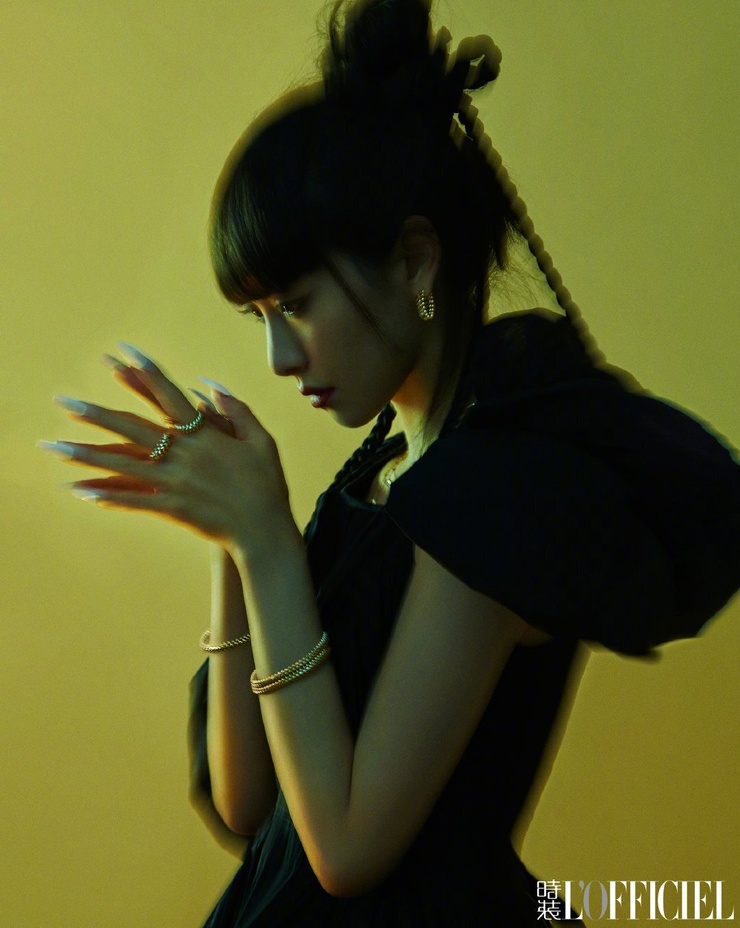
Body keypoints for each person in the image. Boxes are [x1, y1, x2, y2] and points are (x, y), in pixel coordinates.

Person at [39, 0, 740, 924]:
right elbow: (250, 805)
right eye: (259, 317)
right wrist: (233, 542)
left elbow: (345, 849)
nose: (278, 357)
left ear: (414, 262)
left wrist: (268, 542)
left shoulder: (493, 493)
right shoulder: (380, 472)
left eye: (297, 305)